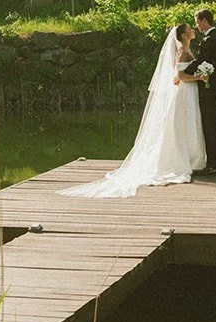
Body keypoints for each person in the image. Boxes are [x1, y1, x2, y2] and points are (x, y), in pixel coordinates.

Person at [58, 23, 205, 198]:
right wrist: (199, 76)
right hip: (184, 93)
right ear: (183, 35)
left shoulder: (185, 50)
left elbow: (176, 75)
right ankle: (183, 160)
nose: (192, 30)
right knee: (183, 123)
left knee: (188, 123)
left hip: (187, 92)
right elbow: (180, 76)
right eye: (189, 29)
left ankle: (191, 158)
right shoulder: (181, 52)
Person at [181, 8, 216, 175]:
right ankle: (215, 162)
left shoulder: (212, 39)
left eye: (198, 21)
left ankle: (214, 165)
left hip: (209, 89)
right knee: (210, 125)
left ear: (205, 20)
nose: (196, 25)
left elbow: (202, 60)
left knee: (210, 126)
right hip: (209, 88)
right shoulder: (211, 38)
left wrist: (183, 74)